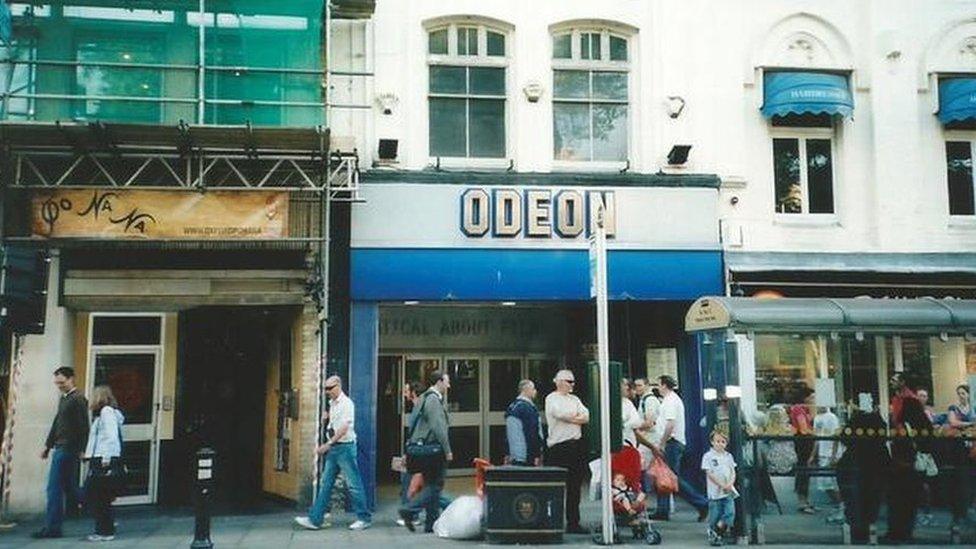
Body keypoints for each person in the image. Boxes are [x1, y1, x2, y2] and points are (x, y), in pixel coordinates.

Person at [295, 376, 372, 531]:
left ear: (338, 386)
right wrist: (328, 418)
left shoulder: (347, 404)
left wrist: (327, 444)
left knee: (353, 485)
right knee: (326, 484)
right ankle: (315, 519)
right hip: (335, 449)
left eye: (329, 388)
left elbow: (344, 428)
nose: (327, 392)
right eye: (325, 389)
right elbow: (336, 423)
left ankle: (364, 518)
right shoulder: (332, 404)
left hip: (345, 448)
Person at [33, 367, 90, 539]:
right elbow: (57, 422)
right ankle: (102, 509)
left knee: (54, 488)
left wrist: (82, 449)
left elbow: (83, 426)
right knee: (70, 487)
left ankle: (53, 528)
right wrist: (48, 445)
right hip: (60, 446)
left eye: (62, 382)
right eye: (57, 383)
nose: (59, 386)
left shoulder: (78, 399)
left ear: (71, 379)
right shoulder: (64, 398)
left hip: (68, 448)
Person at [399, 371, 453, 534]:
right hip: (433, 450)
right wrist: (447, 450)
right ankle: (409, 509)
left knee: (430, 484)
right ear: (439, 382)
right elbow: (438, 427)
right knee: (435, 486)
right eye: (447, 382)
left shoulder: (423, 398)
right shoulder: (433, 400)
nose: (449, 385)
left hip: (421, 450)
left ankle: (431, 523)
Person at [651, 375, 708, 522]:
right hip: (673, 443)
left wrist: (662, 442)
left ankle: (702, 503)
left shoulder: (670, 401)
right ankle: (662, 510)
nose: (657, 387)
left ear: (664, 385)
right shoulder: (671, 400)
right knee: (664, 477)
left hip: (672, 443)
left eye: (658, 384)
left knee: (671, 478)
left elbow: (670, 424)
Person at [544, 369, 589, 534]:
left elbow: (586, 415)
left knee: (574, 487)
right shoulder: (551, 398)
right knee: (555, 487)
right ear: (559, 381)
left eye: (573, 382)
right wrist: (576, 417)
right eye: (569, 381)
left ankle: (573, 522)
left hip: (575, 445)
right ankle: (552, 521)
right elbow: (560, 414)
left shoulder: (575, 399)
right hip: (558, 447)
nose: (572, 385)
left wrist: (574, 418)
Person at [83, 385, 124, 542]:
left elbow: (111, 436)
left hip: (103, 458)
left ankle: (104, 530)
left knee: (99, 496)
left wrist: (106, 458)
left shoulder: (106, 413)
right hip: (100, 457)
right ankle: (106, 527)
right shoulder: (104, 414)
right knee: (102, 496)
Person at [702, 429, 736, 546]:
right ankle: (714, 533)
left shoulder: (729, 456)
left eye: (723, 442)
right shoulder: (708, 456)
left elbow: (733, 471)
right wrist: (721, 485)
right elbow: (709, 473)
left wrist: (730, 484)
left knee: (730, 512)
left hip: (728, 490)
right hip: (715, 492)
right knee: (715, 514)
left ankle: (717, 530)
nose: (720, 444)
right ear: (712, 442)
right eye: (717, 441)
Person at [810, 405, 843, 522]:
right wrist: (813, 455)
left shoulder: (832, 417)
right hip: (822, 454)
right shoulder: (817, 418)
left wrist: (834, 456)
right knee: (824, 484)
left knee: (831, 483)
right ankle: (838, 507)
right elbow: (817, 438)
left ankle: (841, 508)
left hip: (830, 455)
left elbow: (835, 437)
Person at [788, 385, 815, 514]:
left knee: (804, 470)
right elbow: (803, 429)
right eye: (811, 397)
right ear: (805, 398)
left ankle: (805, 500)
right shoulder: (799, 410)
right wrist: (814, 432)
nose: (813, 399)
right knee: (804, 469)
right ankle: (802, 501)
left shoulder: (802, 409)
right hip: (804, 443)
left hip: (802, 442)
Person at [505, 379, 543, 466]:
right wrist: (536, 454)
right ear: (527, 390)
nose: (535, 391)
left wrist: (507, 452)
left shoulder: (512, 407)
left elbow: (508, 433)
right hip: (526, 455)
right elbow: (532, 432)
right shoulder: (528, 408)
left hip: (514, 454)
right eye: (533, 389)